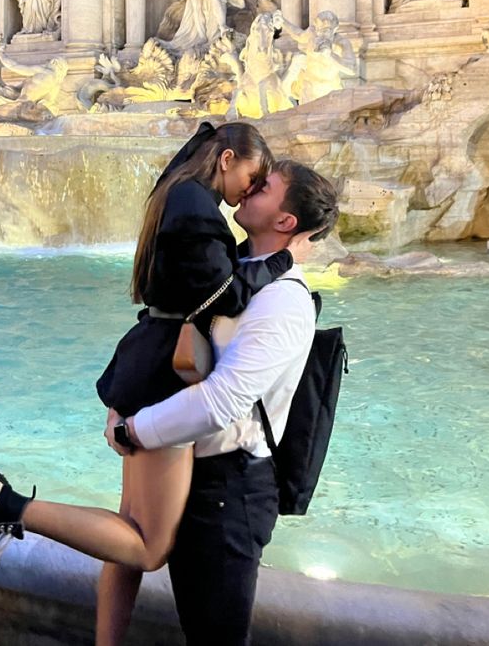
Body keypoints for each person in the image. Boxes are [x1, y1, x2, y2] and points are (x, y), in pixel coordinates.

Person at [0, 123, 310, 645]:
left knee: (126, 530)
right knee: (147, 546)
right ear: (226, 159)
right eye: (254, 174)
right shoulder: (196, 205)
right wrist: (286, 259)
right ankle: (3, 505)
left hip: (150, 358)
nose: (252, 184)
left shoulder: (177, 190)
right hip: (165, 377)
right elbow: (223, 294)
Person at [105, 159, 340, 646]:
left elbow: (223, 401)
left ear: (285, 221)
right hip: (191, 466)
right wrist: (122, 403)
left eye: (266, 186)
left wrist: (134, 431)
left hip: (231, 491)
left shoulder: (282, 300)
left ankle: (11, 509)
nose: (251, 187)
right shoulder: (227, 272)